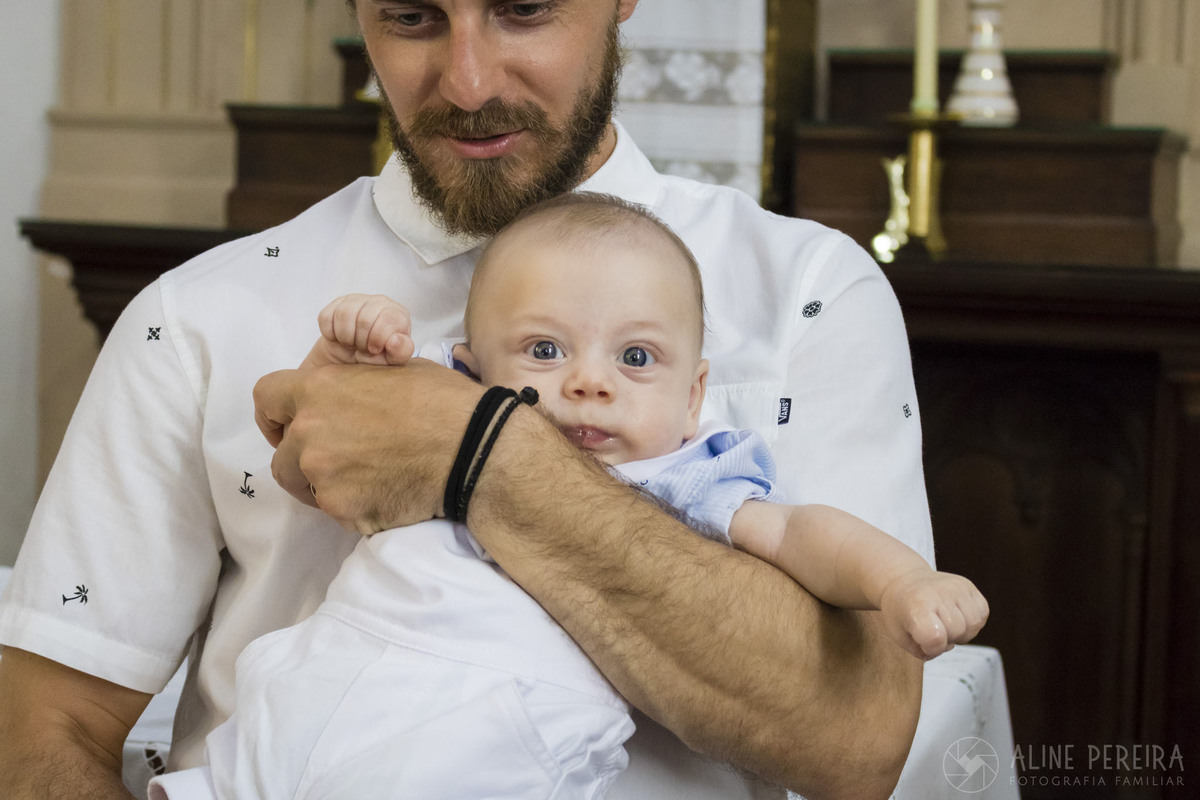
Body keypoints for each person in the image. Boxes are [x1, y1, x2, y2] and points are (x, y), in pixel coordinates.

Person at [0, 2, 932, 798]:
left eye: (524, 8)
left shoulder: (808, 291)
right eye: (412, 16)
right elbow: (46, 728)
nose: (470, 82)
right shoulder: (194, 318)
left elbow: (860, 743)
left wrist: (472, 451)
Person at [146, 194, 986, 800]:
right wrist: (342, 352)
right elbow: (311, 441)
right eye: (545, 350)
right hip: (316, 683)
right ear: (473, 369)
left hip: (486, 745)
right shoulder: (431, 407)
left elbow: (804, 535)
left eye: (636, 359)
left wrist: (902, 583)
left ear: (695, 397)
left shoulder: (683, 479)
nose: (588, 383)